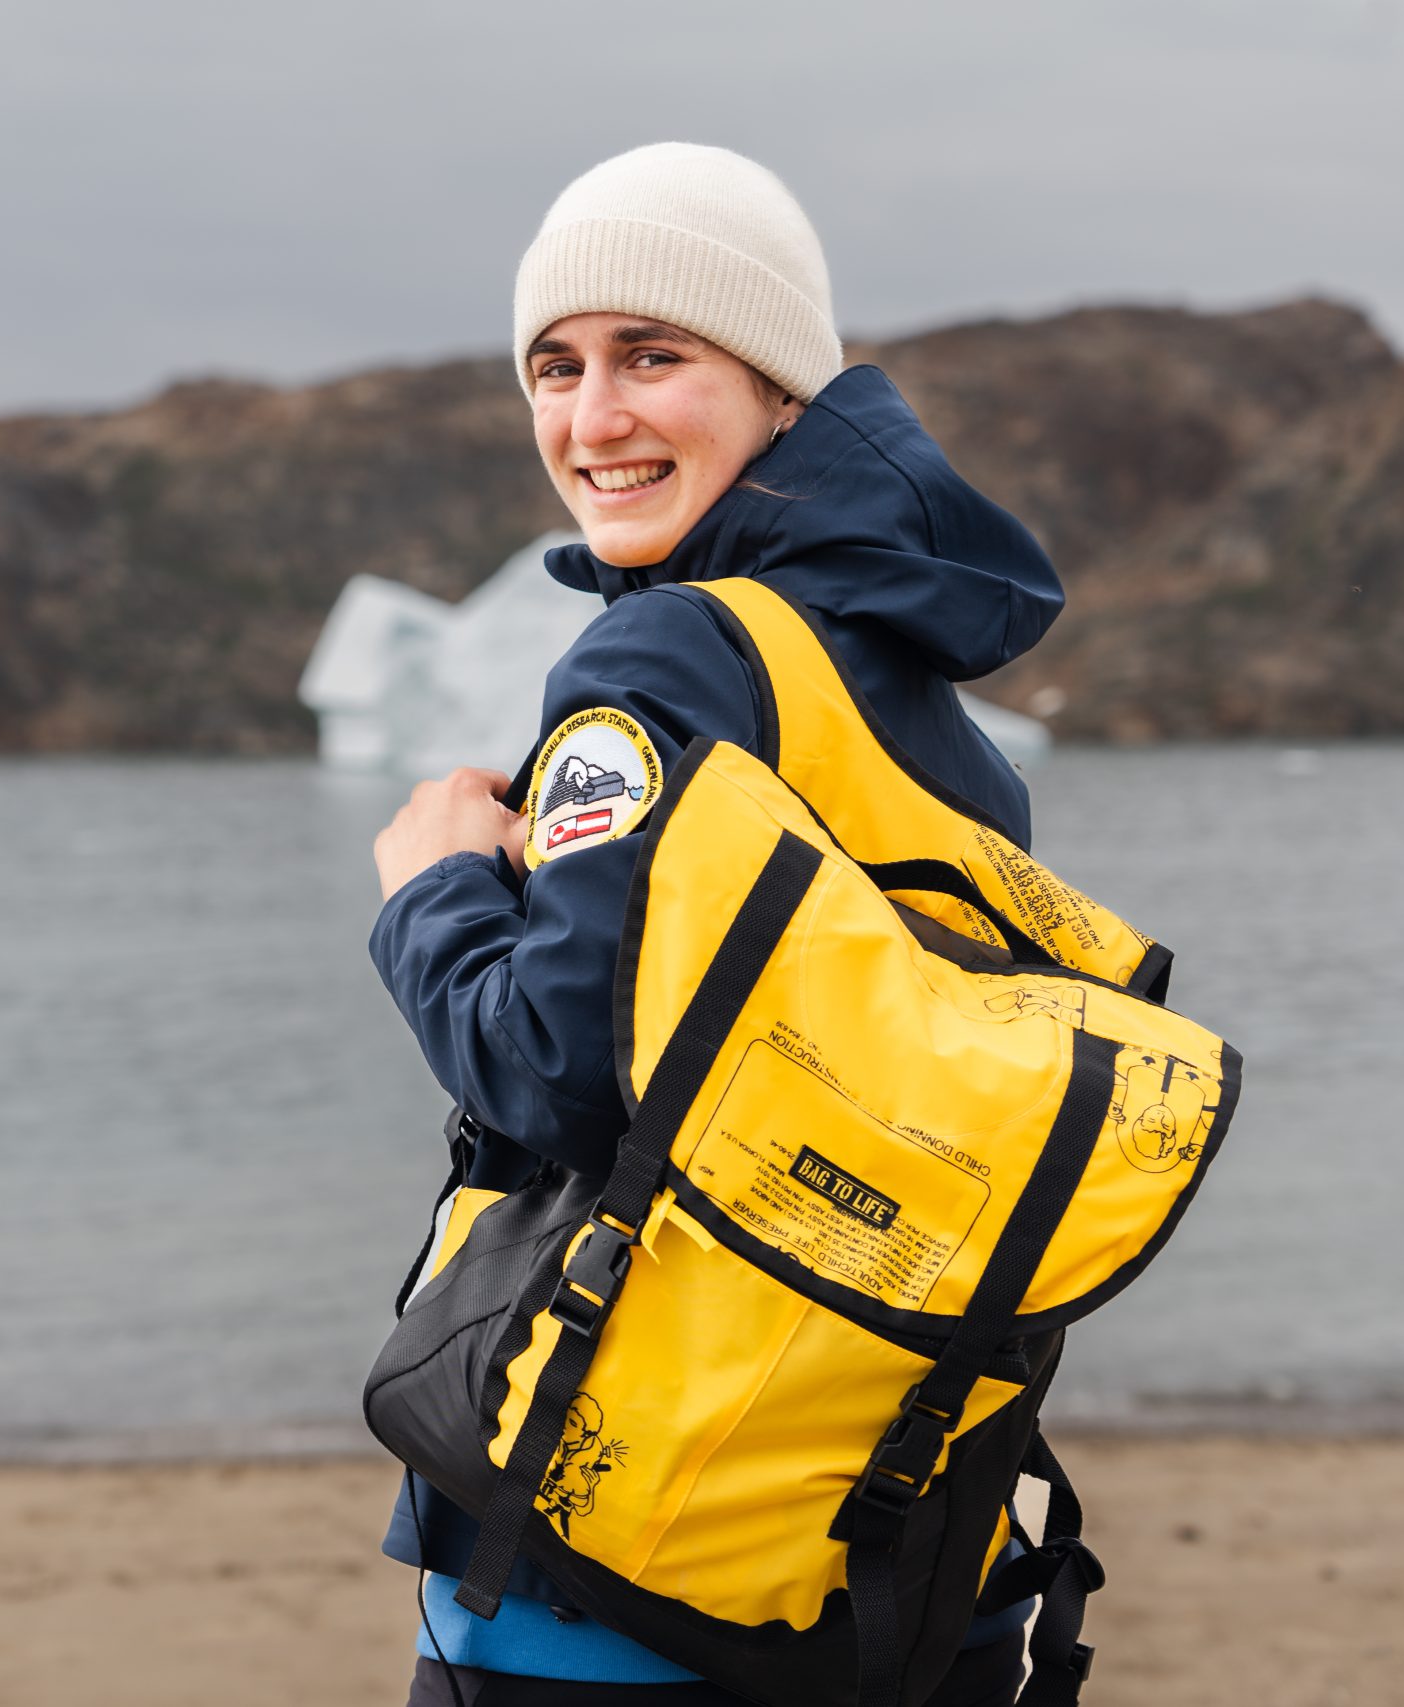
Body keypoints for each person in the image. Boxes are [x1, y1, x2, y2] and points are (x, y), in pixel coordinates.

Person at [368, 142, 1065, 1707]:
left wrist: (433, 891)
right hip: (900, 1548)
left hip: (631, 1558)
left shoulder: (667, 661)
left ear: (781, 391)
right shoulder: (918, 701)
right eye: (555, 367)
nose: (591, 419)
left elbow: (558, 1077)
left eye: (653, 355)